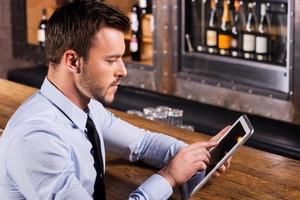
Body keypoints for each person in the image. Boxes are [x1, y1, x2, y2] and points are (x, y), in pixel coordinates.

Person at [0, 1, 231, 199]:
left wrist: (196, 156)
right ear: (72, 61)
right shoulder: (37, 139)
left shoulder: (86, 109)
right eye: (112, 60)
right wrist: (168, 177)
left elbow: (141, 144)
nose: (123, 71)